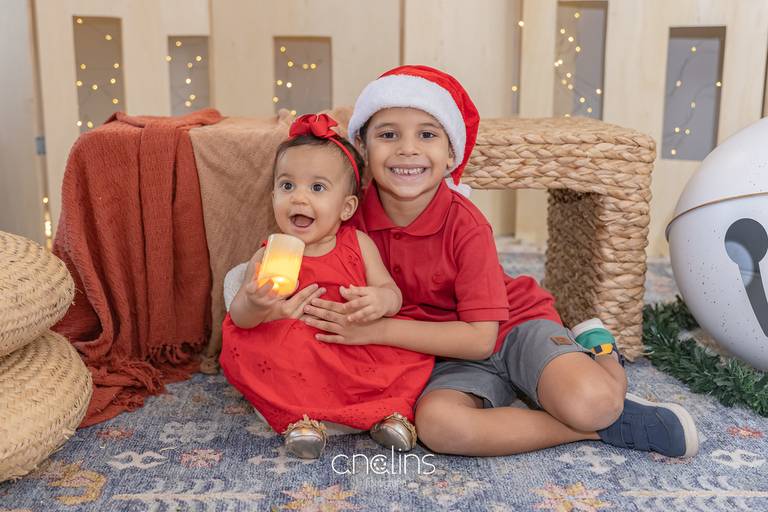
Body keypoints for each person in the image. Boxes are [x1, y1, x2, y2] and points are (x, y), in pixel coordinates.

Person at [302, 65, 699, 458]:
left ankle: (600, 354)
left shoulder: (467, 224)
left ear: (450, 152)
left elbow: (480, 339)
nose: (408, 148)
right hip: (438, 355)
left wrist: (377, 331)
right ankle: (595, 431)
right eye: (388, 135)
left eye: (427, 134)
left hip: (510, 328)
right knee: (439, 427)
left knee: (594, 401)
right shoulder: (348, 218)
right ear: (364, 150)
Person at [220, 113, 434, 459]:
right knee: (267, 354)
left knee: (405, 357)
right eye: (287, 186)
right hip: (300, 345)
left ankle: (387, 415)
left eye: (317, 188)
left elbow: (393, 293)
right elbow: (242, 318)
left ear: (347, 207)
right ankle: (301, 420)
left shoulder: (359, 244)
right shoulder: (268, 253)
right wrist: (260, 306)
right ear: (273, 194)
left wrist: (379, 300)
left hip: (351, 341)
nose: (299, 199)